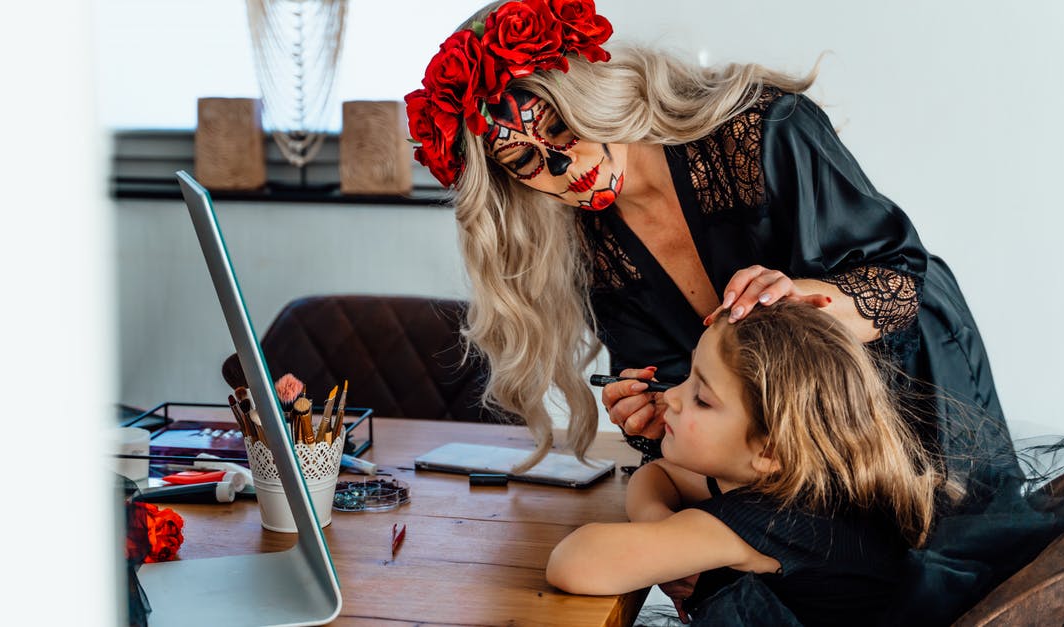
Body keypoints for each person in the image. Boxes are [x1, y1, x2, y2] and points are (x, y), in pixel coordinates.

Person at [405, 0, 1018, 496]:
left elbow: (902, 281)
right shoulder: (590, 245)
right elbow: (682, 397)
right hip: (789, 468)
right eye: (523, 161)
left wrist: (805, 299)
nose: (565, 168)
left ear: (596, 92)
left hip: (913, 400)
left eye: (565, 128)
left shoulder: (762, 131)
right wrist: (654, 418)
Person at [546, 301, 947, 625]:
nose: (672, 396)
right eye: (688, 375)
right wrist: (658, 522)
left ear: (769, 451)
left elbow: (573, 562)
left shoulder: (772, 519)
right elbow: (660, 474)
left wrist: (672, 537)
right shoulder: (804, 479)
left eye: (703, 399)